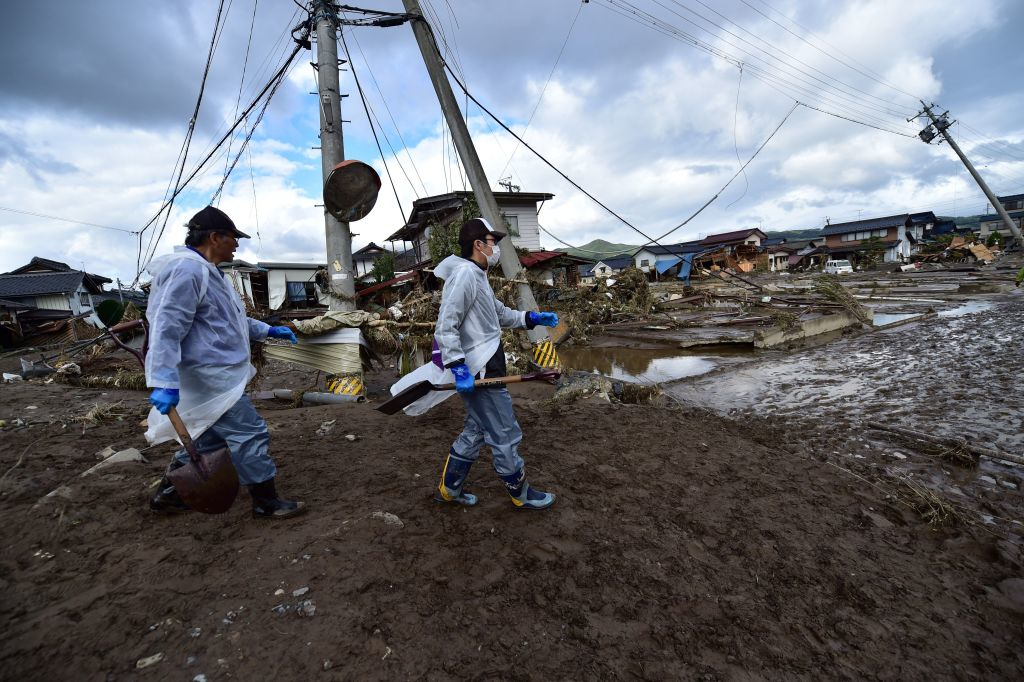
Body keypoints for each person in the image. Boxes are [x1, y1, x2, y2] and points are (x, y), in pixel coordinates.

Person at [144, 205, 305, 520]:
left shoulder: (210, 274)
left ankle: (170, 494)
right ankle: (265, 501)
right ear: (215, 237)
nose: (237, 244)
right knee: (250, 432)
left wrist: (267, 330)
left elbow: (231, 321)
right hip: (209, 375)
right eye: (233, 238)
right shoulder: (187, 270)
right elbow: (167, 326)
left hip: (218, 374)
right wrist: (163, 380)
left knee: (210, 437)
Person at [432, 217, 560, 510]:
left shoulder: (477, 275)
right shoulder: (464, 275)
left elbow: (498, 313)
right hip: (481, 368)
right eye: (493, 242)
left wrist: (530, 318)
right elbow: (445, 325)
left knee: (476, 429)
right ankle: (521, 493)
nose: (497, 247)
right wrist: (458, 366)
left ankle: (449, 489)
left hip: (487, 364)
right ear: (478, 245)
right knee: (505, 432)